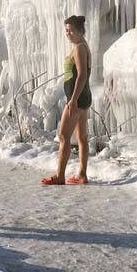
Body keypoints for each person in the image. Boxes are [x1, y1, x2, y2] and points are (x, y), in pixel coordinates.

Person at [42, 15, 92, 185]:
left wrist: (73, 100)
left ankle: (59, 175)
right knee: (82, 138)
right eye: (66, 30)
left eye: (71, 30)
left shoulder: (79, 48)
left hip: (77, 99)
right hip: (84, 98)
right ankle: (82, 174)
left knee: (63, 136)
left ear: (80, 30)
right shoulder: (83, 46)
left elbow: (82, 75)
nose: (68, 33)